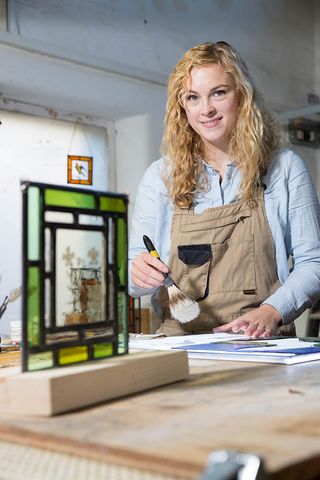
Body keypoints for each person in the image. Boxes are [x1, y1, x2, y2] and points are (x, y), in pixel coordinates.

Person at [129, 41, 320, 338]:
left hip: (261, 346)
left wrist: (273, 311)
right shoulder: (160, 178)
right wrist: (137, 273)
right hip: (180, 347)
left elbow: (314, 264)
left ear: (242, 95)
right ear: (183, 107)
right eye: (193, 97)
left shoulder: (284, 168)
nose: (206, 109)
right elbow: (132, 280)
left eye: (218, 93)